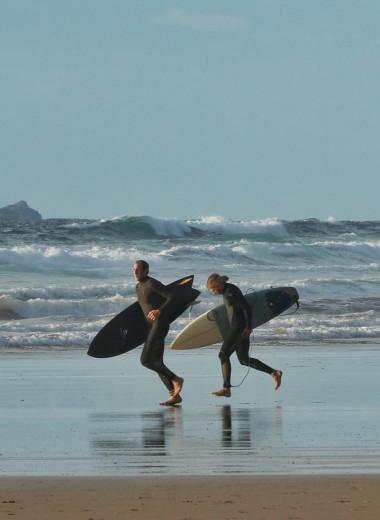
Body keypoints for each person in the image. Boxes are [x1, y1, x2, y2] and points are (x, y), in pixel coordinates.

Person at [206, 273, 282, 398]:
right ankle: (274, 373)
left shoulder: (231, 292)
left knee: (223, 354)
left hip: (239, 327)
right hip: (238, 327)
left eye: (214, 289)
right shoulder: (228, 290)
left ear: (219, 284)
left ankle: (226, 388)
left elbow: (246, 308)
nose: (213, 292)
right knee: (244, 360)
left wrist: (248, 327)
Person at [134, 260, 184, 406]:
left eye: (138, 269)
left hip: (160, 324)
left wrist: (159, 310)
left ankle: (176, 379)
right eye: (134, 270)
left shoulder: (152, 283)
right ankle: (174, 396)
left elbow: (172, 296)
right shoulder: (138, 287)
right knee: (157, 362)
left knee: (145, 360)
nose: (135, 272)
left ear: (146, 270)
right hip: (151, 327)